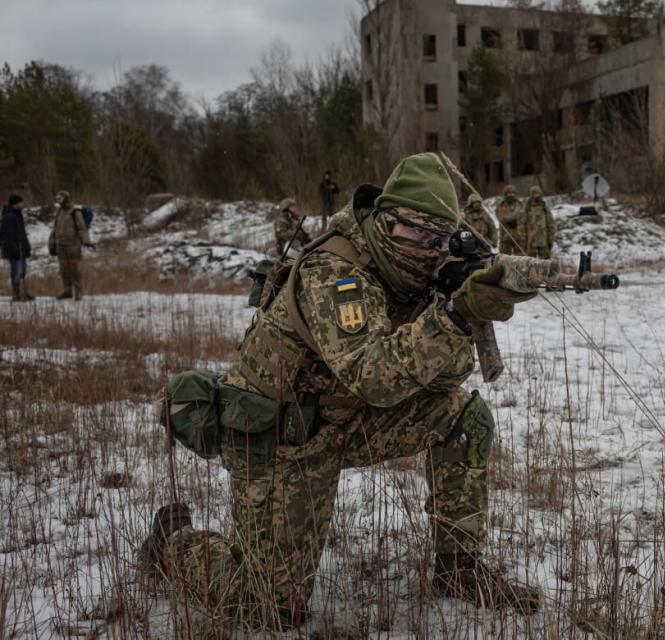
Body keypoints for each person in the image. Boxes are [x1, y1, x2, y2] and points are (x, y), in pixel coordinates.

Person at [140, 153, 541, 631]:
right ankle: (171, 543)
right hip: (281, 435)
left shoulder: (418, 272)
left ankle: (459, 571)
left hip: (347, 420)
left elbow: (442, 379)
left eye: (437, 239)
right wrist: (453, 317)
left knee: (463, 417)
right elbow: (373, 375)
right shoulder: (336, 271)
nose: (426, 247)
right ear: (385, 219)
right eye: (413, 231)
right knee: (264, 608)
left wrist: (460, 306)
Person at [50, 190, 93, 301]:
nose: (58, 201)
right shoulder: (59, 212)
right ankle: (67, 291)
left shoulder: (75, 212)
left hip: (73, 245)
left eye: (60, 198)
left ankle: (79, 292)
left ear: (66, 198)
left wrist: (86, 241)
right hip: (61, 246)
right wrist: (52, 243)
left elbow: (82, 228)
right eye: (57, 199)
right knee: (64, 270)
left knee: (75, 270)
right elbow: (55, 229)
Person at [1, 194, 34, 302]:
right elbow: (8, 235)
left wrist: (27, 247)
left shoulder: (18, 215)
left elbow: (22, 234)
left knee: (23, 271)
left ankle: (24, 292)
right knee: (17, 271)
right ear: (16, 203)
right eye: (21, 202)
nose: (22, 204)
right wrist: (14, 250)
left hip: (21, 247)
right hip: (14, 249)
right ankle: (16, 294)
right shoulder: (9, 216)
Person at [519, 186, 556, 259]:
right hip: (530, 242)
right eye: (534, 194)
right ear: (531, 195)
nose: (536, 196)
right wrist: (523, 240)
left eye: (538, 194)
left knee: (546, 263)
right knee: (530, 263)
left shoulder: (544, 208)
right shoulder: (527, 208)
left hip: (543, 241)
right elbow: (521, 225)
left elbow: (551, 224)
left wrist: (550, 239)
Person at [495, 185, 523, 255]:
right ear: (505, 194)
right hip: (505, 236)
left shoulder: (519, 204)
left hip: (518, 235)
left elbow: (521, 216)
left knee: (520, 256)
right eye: (509, 193)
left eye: (513, 193)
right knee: (505, 256)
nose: (511, 195)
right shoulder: (501, 205)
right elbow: (501, 218)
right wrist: (512, 218)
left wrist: (510, 218)